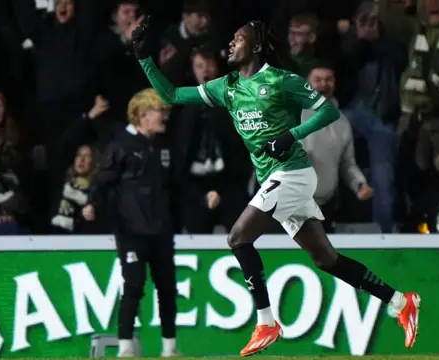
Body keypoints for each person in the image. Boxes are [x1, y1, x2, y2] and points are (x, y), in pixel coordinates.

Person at [132, 18, 421, 356]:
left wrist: (291, 135)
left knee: (237, 238)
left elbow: (328, 111)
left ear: (255, 47)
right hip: (275, 178)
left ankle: (267, 321)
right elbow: (170, 94)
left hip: (293, 173)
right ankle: (401, 301)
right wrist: (144, 57)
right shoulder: (226, 87)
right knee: (326, 259)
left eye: (238, 39)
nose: (230, 44)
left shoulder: (281, 81)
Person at [83, 89, 178, 357]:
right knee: (134, 286)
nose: (165, 117)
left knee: (167, 288)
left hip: (161, 230)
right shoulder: (120, 145)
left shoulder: (164, 146)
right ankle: (125, 346)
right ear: (141, 115)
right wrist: (92, 203)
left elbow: (174, 185)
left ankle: (170, 348)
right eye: (160, 111)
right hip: (131, 230)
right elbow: (103, 179)